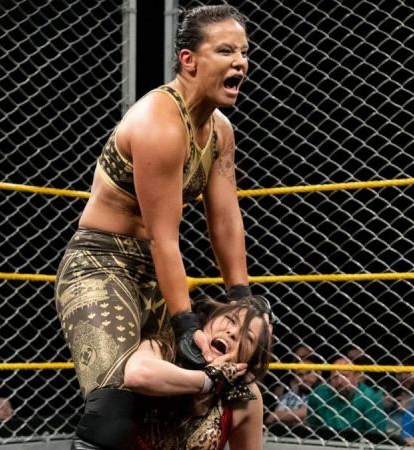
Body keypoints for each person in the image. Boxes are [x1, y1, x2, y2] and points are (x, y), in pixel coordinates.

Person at [54, 5, 264, 450]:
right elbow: (163, 236)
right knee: (114, 411)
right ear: (189, 60)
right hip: (100, 264)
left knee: (196, 393)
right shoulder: (159, 123)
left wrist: (243, 300)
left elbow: (225, 219)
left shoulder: (220, 131)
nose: (240, 62)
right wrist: (186, 324)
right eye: (225, 50)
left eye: (243, 52)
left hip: (153, 269)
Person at [123, 296, 271, 450]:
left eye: (248, 337)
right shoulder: (165, 347)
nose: (232, 332)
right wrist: (208, 379)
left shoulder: (245, 396)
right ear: (208, 320)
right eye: (230, 320)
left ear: (250, 360)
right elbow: (137, 376)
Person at [306, 356, 385, 434]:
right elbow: (312, 429)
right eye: (335, 377)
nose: (339, 381)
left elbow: (376, 436)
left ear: (356, 376)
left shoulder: (370, 399)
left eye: (345, 376)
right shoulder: (318, 395)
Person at [264, 355, 322, 426]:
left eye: (308, 372)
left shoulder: (326, 394)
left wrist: (285, 416)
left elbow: (308, 413)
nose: (305, 378)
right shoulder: (290, 396)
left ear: (319, 373)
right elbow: (272, 416)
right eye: (300, 375)